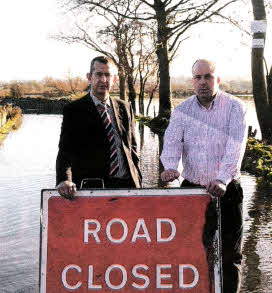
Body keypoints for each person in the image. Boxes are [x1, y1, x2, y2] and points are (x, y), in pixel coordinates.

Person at [160, 59, 247, 293]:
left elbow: (236, 147)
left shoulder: (234, 107)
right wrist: (170, 167)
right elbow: (171, 144)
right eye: (198, 78)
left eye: (208, 77)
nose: (203, 83)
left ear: (217, 79)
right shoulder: (181, 111)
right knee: (193, 252)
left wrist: (222, 178)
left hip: (227, 189)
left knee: (230, 255)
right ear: (192, 82)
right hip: (192, 190)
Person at [56, 56, 142, 197]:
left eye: (107, 75)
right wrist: (64, 180)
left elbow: (132, 149)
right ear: (90, 77)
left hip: (128, 187)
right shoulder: (74, 110)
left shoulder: (125, 108)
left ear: (114, 79)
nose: (103, 80)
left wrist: (138, 182)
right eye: (99, 74)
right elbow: (65, 151)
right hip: (94, 189)